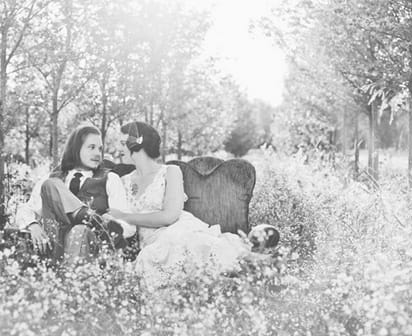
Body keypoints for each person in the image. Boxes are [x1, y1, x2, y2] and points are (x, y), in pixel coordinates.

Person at [108, 121, 279, 290]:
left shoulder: (170, 171)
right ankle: (233, 281)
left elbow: (170, 216)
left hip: (178, 229)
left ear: (139, 144)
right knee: (157, 257)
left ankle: (262, 266)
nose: (120, 149)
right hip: (151, 242)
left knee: (190, 243)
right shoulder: (122, 181)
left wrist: (125, 216)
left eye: (123, 143)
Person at [16, 125, 135, 264]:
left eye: (100, 149)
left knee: (79, 230)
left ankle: (91, 224)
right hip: (54, 239)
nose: (98, 153)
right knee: (50, 184)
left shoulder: (109, 179)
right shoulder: (54, 176)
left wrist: (113, 224)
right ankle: (90, 218)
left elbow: (128, 225)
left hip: (89, 245)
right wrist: (33, 225)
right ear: (76, 149)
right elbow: (26, 209)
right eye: (91, 147)